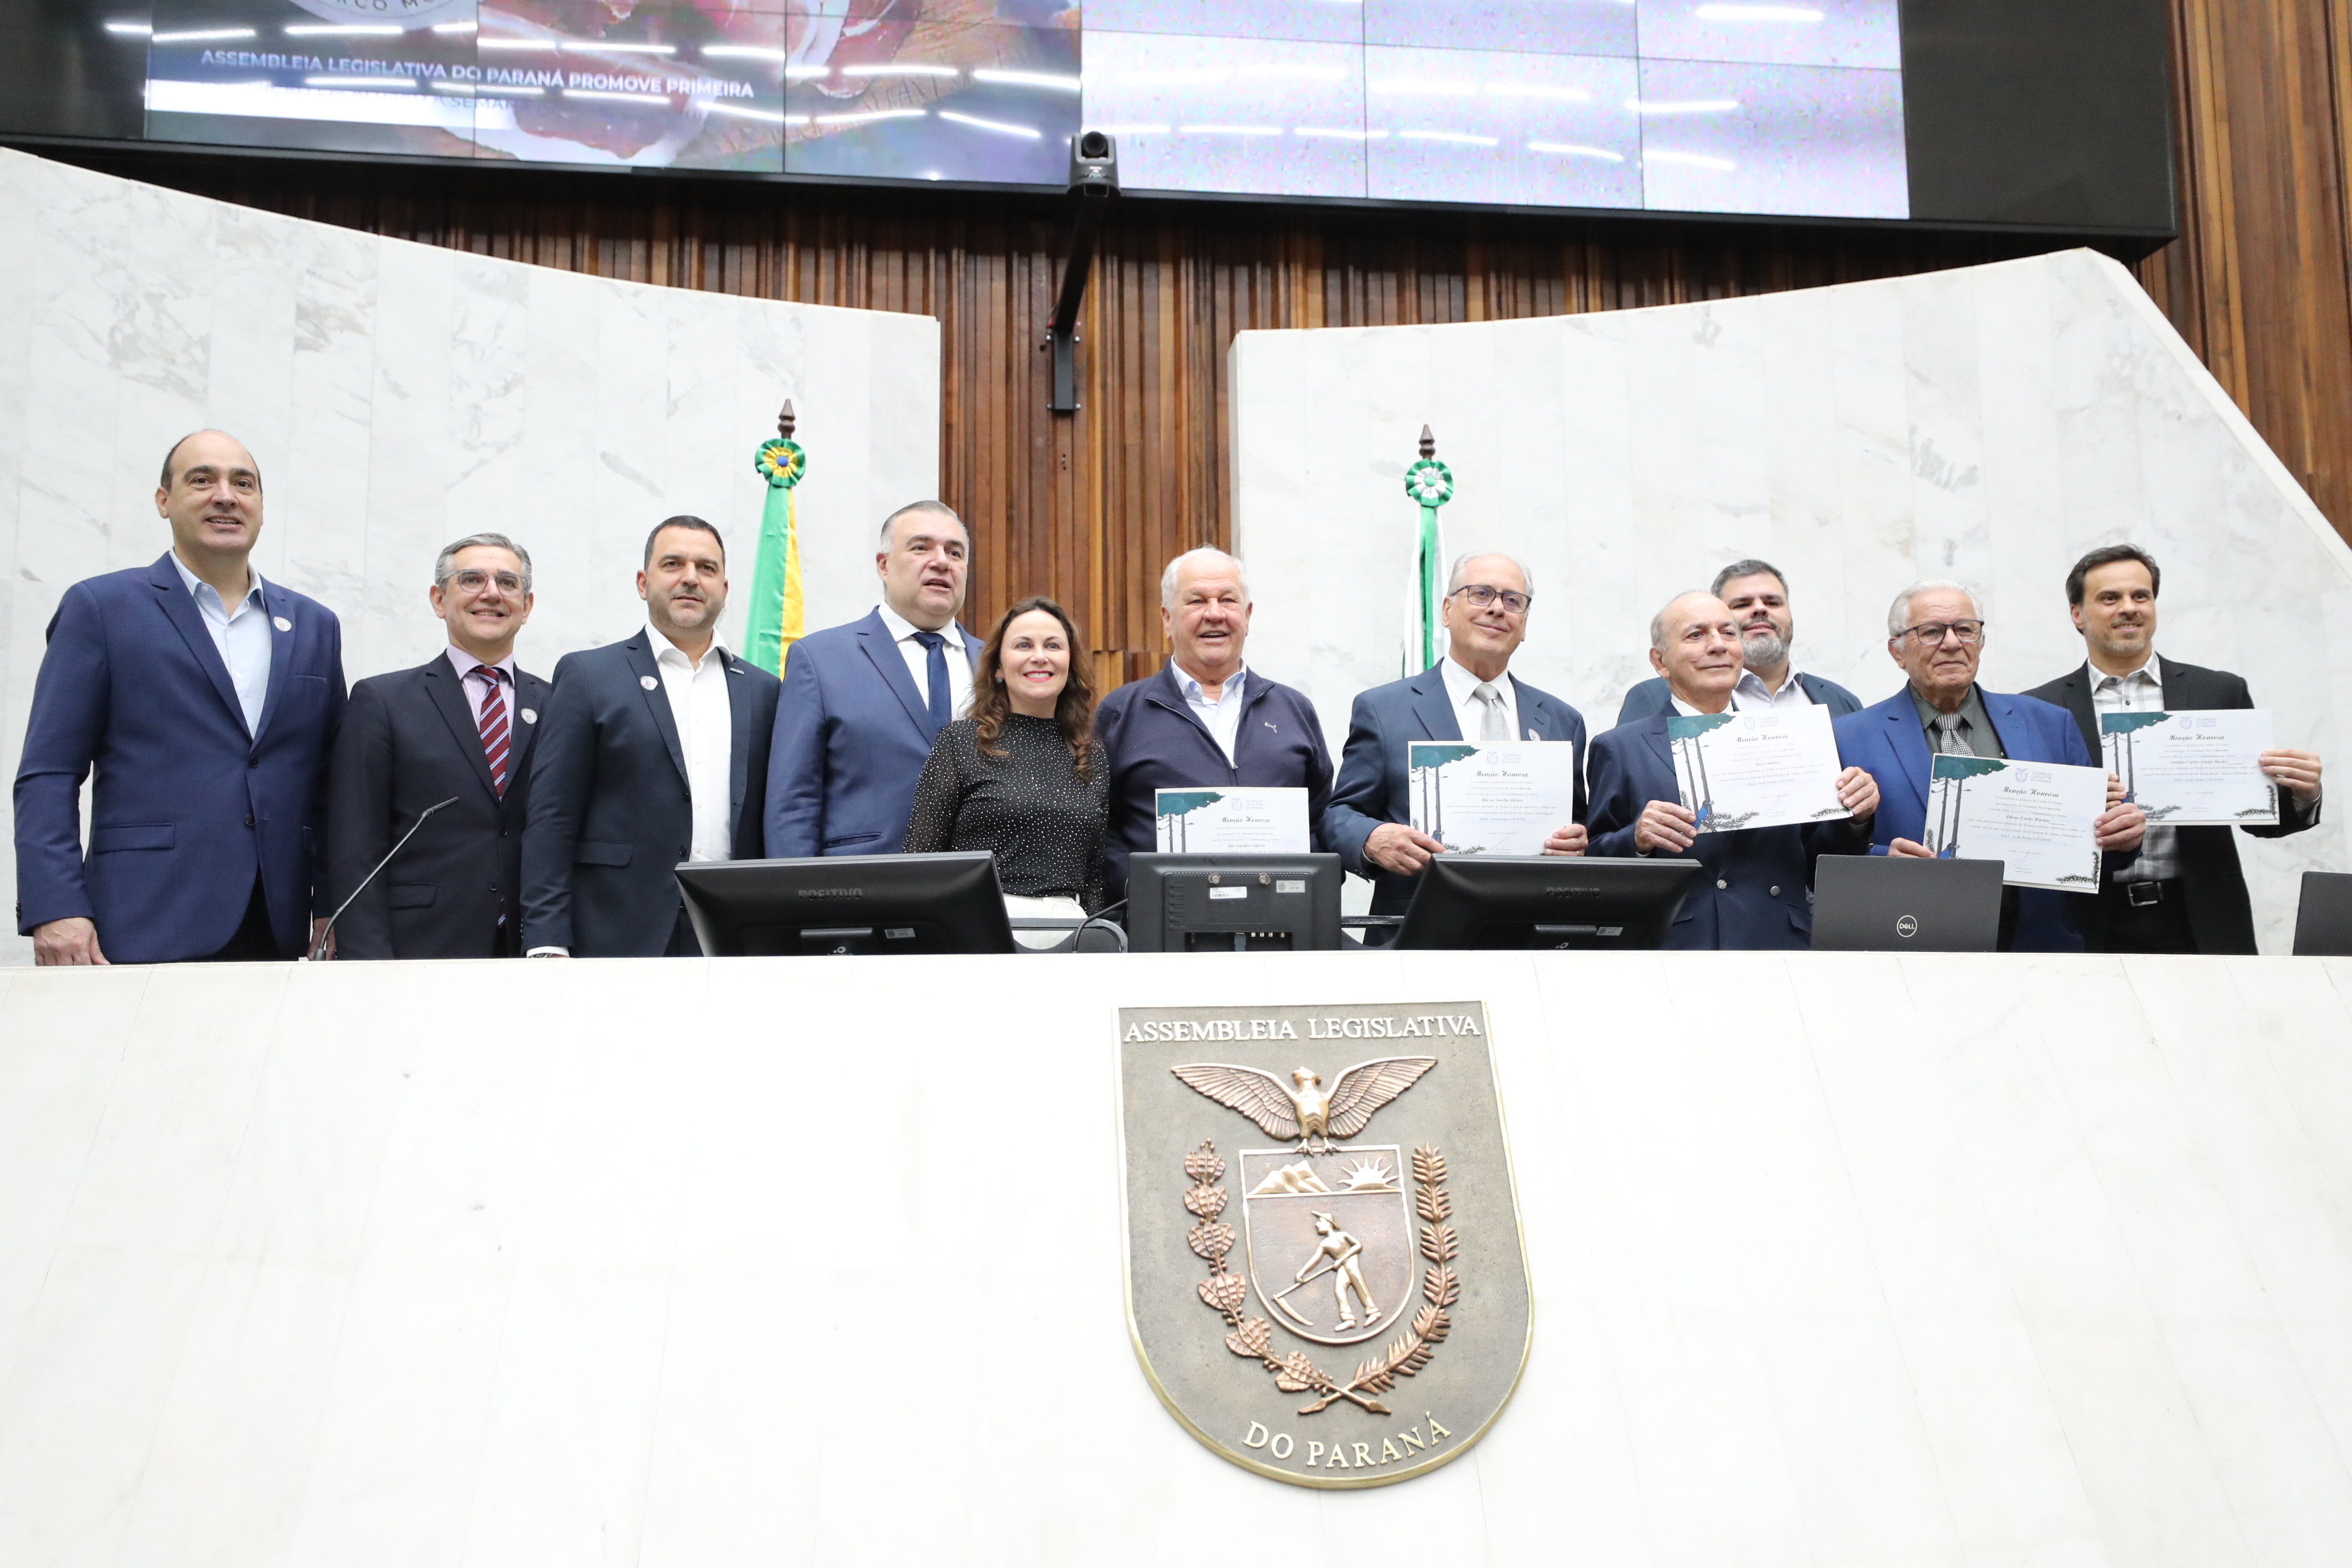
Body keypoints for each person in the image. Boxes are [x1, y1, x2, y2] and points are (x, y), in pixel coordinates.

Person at [14, 430, 346, 964]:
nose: (225, 496)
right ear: (164, 500)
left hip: (276, 926)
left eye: (243, 483)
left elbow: (331, 785)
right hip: (141, 920)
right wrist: (55, 905)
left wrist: (332, 904)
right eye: (202, 480)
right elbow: (49, 772)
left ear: (261, 506)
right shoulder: (101, 607)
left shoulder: (314, 625)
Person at [2024, 544, 2322, 954]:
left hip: (2201, 918)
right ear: (2077, 614)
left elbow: (2261, 820)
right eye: (2110, 598)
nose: (2129, 608)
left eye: (2140, 596)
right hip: (2088, 924)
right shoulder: (2039, 709)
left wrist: (2304, 794)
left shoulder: (2218, 691)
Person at [1834, 579, 2145, 952]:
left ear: (1981, 642)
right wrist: (1879, 855)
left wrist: (2122, 837)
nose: (1952, 643)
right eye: (1931, 632)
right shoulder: (1849, 737)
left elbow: (2097, 854)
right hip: (1914, 945)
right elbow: (1817, 860)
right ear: (1897, 651)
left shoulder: (2050, 724)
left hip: (2039, 948)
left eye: (1965, 629)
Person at [521, 516, 781, 957]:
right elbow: (552, 817)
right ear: (643, 583)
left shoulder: (764, 690)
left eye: (706, 568)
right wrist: (547, 938)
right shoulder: (589, 676)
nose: (691, 578)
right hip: (616, 930)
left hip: (733, 932)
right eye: (673, 564)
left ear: (724, 589)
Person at [1587, 592, 1879, 949]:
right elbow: (1592, 866)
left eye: (1728, 633)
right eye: (1696, 635)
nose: (1718, 645)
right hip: (1680, 947)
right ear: (1660, 662)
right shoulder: (1621, 748)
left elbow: (1821, 861)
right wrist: (1637, 840)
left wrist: (1856, 816)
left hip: (1778, 942)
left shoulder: (1786, 736)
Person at [1325, 552, 1589, 942]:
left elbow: (1581, 828)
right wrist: (1372, 839)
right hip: (1419, 936)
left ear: (1524, 625)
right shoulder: (1384, 710)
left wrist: (1578, 843)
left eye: (1513, 600)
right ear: (1447, 610)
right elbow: (1339, 815)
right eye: (1481, 594)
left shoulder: (1562, 721)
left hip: (1534, 937)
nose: (1497, 609)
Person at [326, 534, 550, 959]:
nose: (491, 593)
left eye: (508, 582)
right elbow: (355, 847)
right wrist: (368, 964)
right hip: (417, 948)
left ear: (527, 606)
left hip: (529, 950)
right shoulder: (383, 701)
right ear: (439, 600)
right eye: (472, 580)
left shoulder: (557, 705)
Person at [1094, 547, 1335, 902]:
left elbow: (1323, 818)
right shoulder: (1121, 712)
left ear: (1248, 616)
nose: (1214, 614)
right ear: (1167, 619)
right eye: (1196, 601)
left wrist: (1316, 883)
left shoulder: (1294, 710)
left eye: (1228, 600)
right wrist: (1137, 889)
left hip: (1283, 919)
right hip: (1164, 921)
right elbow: (1099, 828)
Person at [767, 500, 982, 858]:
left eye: (955, 552)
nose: (942, 562)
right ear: (884, 565)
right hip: (861, 881)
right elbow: (793, 802)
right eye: (921, 548)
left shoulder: (997, 666)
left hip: (978, 883)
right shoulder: (820, 659)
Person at [901, 596, 1108, 948]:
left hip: (1073, 937)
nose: (1039, 656)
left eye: (1053, 646)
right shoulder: (961, 742)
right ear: (998, 666)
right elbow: (921, 861)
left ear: (1070, 663)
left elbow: (1094, 877)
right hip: (979, 932)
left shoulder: (1092, 756)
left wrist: (1099, 943)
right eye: (1023, 645)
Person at [1617, 558, 1861, 724]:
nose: (1760, 610)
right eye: (1742, 604)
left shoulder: (1841, 700)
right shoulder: (1654, 697)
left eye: (1773, 602)